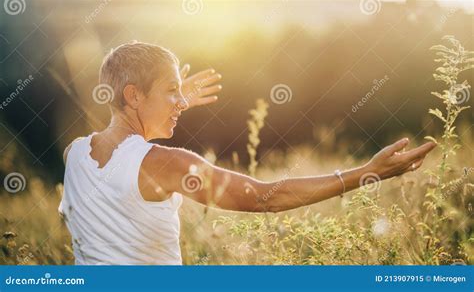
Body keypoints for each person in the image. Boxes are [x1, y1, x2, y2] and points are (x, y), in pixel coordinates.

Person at [59, 42, 436, 265]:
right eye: (171, 90)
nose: (181, 101)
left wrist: (170, 101)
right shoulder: (169, 164)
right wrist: (367, 173)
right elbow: (264, 198)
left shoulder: (74, 154)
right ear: (133, 95)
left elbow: (122, 141)